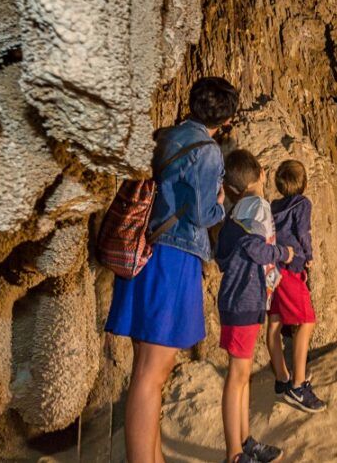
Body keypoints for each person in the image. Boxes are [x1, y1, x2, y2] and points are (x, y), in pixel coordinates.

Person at [104, 77, 238, 463]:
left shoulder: (168, 135)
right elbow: (200, 213)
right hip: (173, 258)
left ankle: (151, 455)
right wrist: (219, 203)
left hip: (147, 254)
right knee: (152, 374)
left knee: (144, 368)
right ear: (226, 117)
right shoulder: (208, 150)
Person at [217, 149, 293, 463]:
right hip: (242, 301)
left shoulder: (237, 211)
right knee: (237, 377)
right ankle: (234, 454)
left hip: (244, 300)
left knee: (243, 374)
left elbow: (223, 252)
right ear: (262, 173)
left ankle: (246, 442)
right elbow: (255, 247)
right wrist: (282, 254)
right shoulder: (257, 207)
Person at [267, 160, 326, 412]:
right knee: (306, 322)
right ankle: (298, 385)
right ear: (304, 183)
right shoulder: (302, 204)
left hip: (273, 269)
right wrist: (309, 255)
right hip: (291, 269)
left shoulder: (273, 206)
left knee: (276, 322)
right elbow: (303, 231)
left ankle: (282, 378)